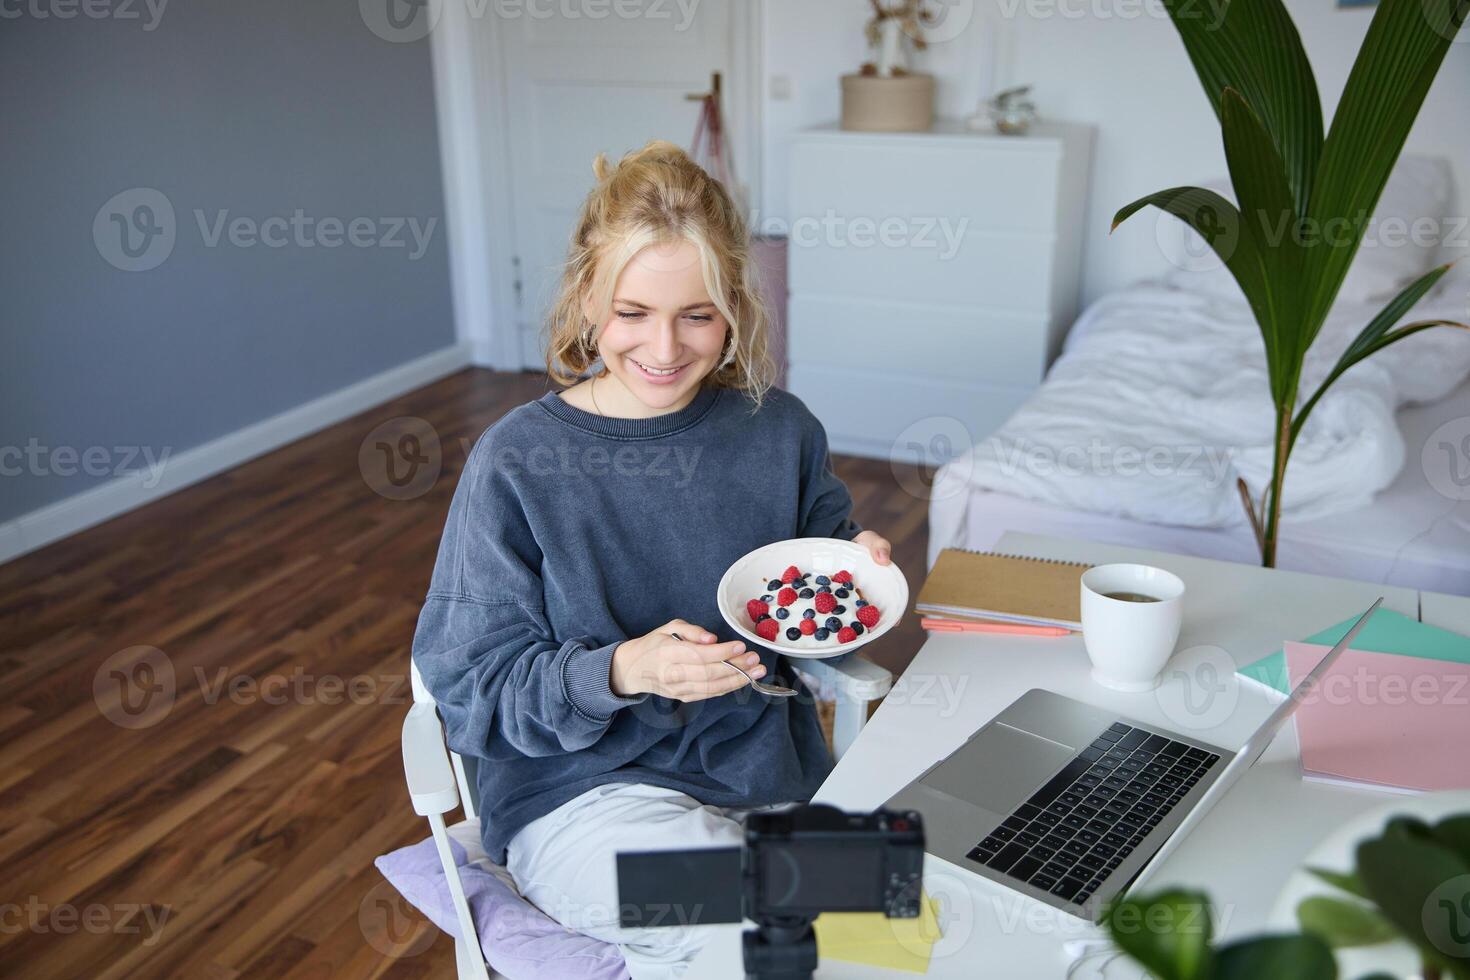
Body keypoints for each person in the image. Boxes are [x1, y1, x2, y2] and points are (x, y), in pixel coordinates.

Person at [411, 140, 892, 978]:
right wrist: (622, 670)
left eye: (697, 314)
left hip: (762, 775)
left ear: (736, 305)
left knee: (913, 909)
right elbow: (467, 692)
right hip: (580, 798)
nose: (665, 348)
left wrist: (852, 568)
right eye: (632, 312)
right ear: (585, 300)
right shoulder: (519, 460)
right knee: (768, 939)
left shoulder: (778, 430)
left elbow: (818, 576)